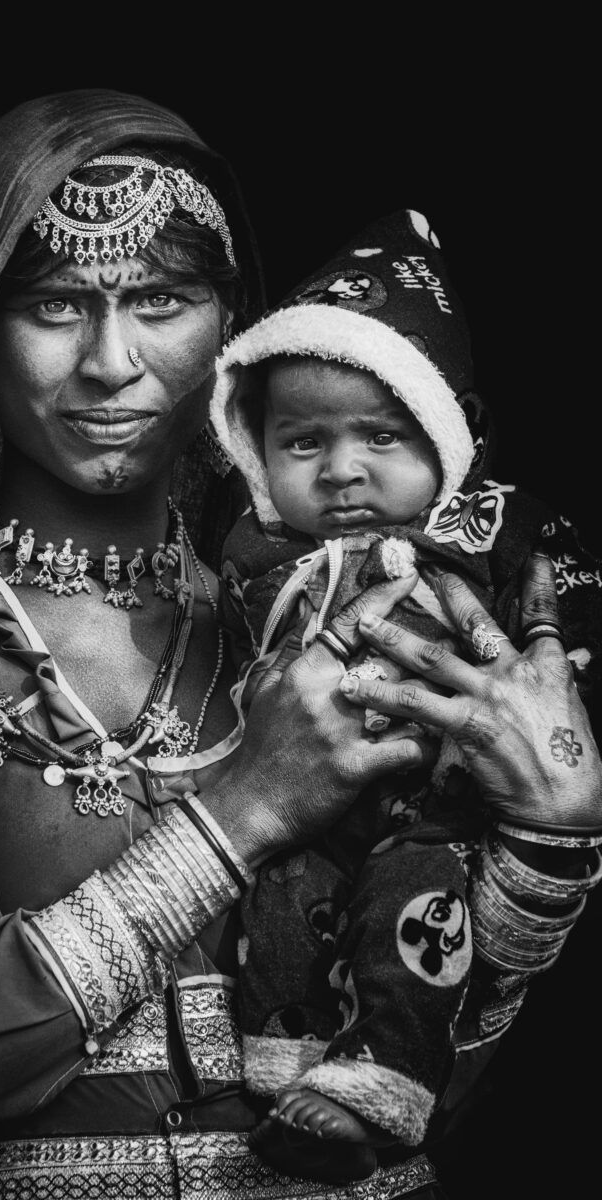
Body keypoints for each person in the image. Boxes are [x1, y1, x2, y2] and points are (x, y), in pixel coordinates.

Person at [0, 91, 599, 1200]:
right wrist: (242, 811)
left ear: (230, 335)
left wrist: (546, 846)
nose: (110, 361)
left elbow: (428, 1093)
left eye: (162, 299)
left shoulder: (325, 613)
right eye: (52, 305)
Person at [208, 208, 602, 1169]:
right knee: (283, 907)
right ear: (256, 450)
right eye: (302, 443)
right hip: (302, 801)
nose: (343, 469)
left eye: (381, 437)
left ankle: (384, 1089)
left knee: (408, 910)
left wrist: (569, 677)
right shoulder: (249, 555)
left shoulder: (492, 533)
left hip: (435, 807)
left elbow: (567, 624)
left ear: (447, 432)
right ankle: (283, 1070)